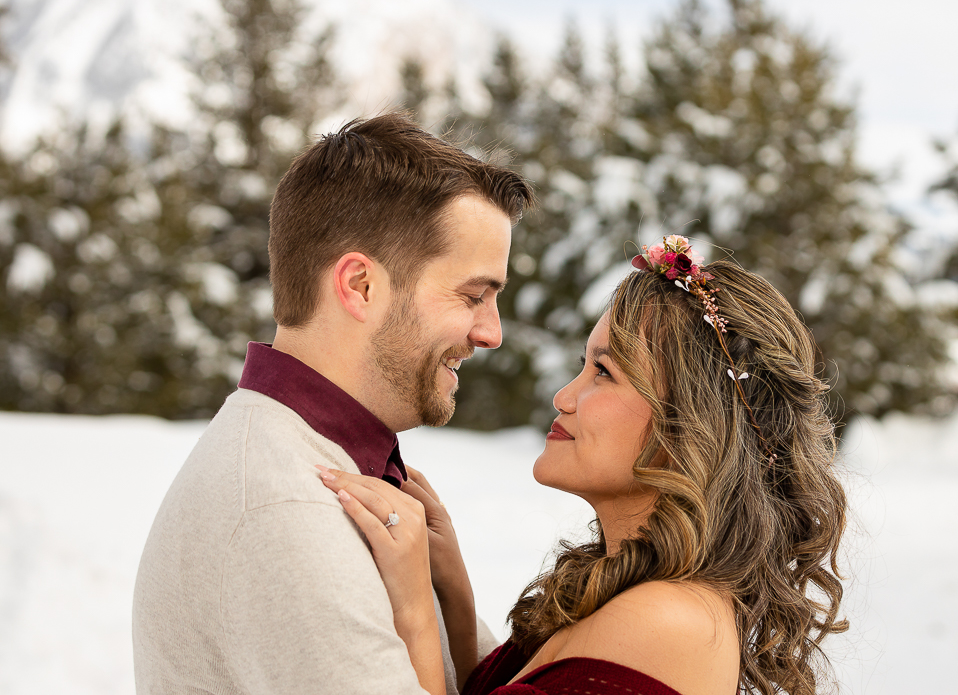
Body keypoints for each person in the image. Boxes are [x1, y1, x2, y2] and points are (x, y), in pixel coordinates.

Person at [321, 235, 849, 695]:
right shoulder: (633, 589)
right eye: (583, 365)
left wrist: (414, 610)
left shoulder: (668, 621)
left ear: (690, 427)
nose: (563, 396)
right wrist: (451, 588)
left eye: (604, 371)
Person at [133, 113, 534, 695]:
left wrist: (449, 593)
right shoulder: (289, 512)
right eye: (473, 296)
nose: (491, 333)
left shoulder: (323, 465)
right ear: (360, 286)